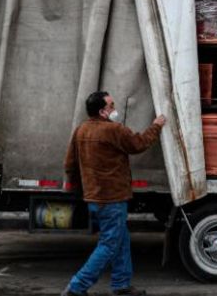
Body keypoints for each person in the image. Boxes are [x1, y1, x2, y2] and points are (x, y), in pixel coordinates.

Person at [62, 91, 166, 296]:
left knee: (121, 239)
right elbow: (139, 144)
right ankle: (77, 287)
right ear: (102, 111)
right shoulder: (114, 130)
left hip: (94, 198)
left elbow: (69, 164)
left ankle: (121, 284)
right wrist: (157, 125)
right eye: (111, 105)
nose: (114, 108)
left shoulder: (81, 130)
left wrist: (79, 190)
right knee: (109, 244)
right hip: (113, 198)